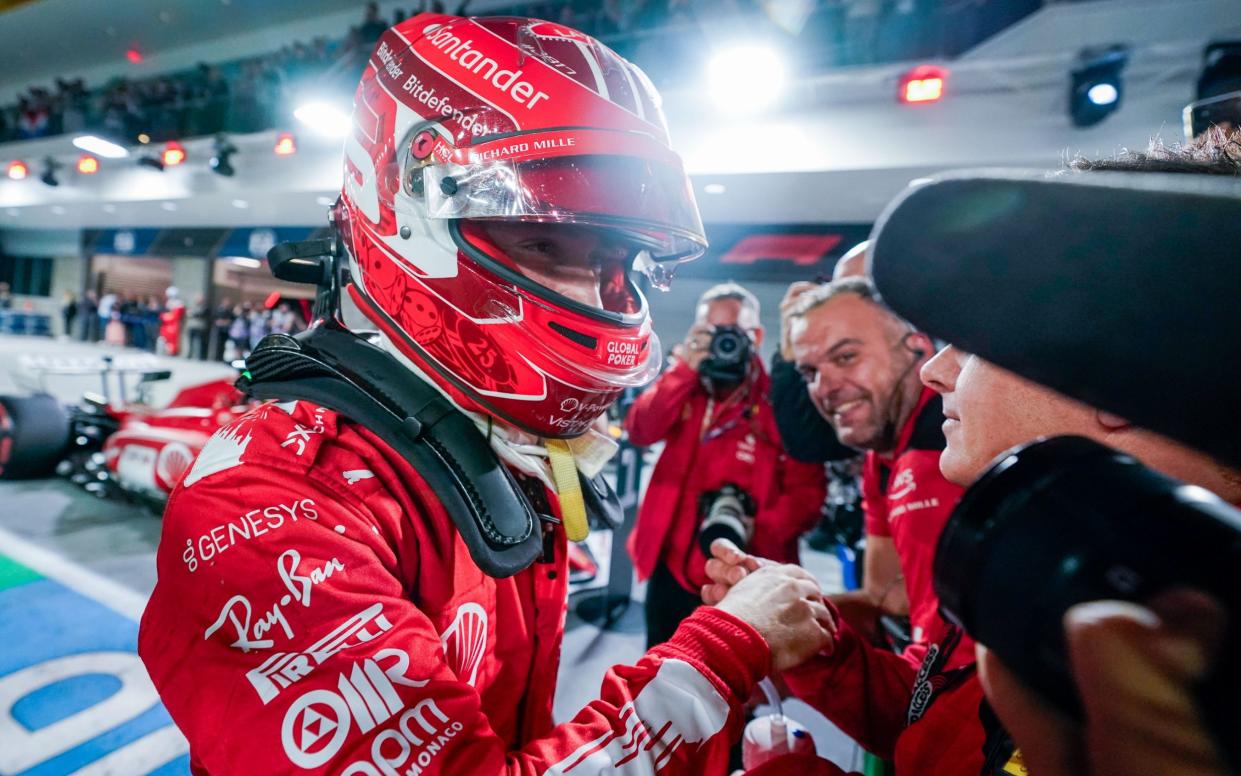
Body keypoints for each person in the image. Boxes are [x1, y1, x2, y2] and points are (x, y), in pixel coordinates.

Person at [139, 15, 833, 775]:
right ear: (408, 215)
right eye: (544, 242)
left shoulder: (500, 432)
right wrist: (723, 654)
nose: (600, 290)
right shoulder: (274, 504)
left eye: (617, 257)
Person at [626, 283, 826, 648]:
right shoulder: (684, 387)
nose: (723, 344)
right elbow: (639, 430)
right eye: (711, 333)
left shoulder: (779, 403)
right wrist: (684, 368)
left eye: (732, 333)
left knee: (736, 684)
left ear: (757, 335)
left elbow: (808, 495)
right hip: (670, 564)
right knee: (657, 667)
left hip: (746, 573)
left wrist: (757, 533)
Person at [787, 278, 965, 652]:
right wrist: (778, 614)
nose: (825, 386)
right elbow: (891, 599)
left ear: (917, 349)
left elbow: (948, 668)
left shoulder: (947, 452)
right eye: (809, 373)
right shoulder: (880, 455)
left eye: (845, 357)